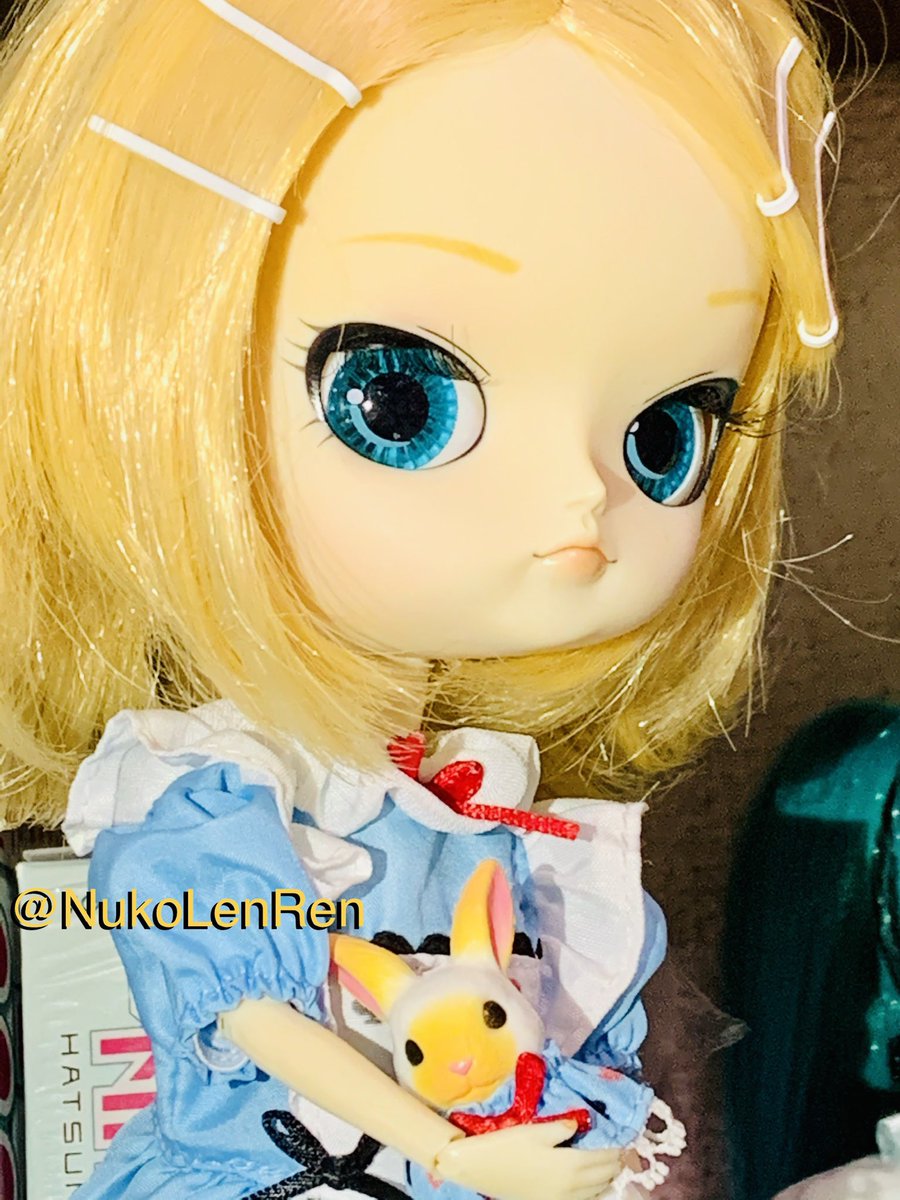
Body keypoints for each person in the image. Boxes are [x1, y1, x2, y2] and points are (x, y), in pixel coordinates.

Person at [0, 1, 837, 1196]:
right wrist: (447, 1149)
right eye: (400, 401)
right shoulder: (210, 796)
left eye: (663, 433)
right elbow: (256, 1022)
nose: (582, 498)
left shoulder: (481, 800)